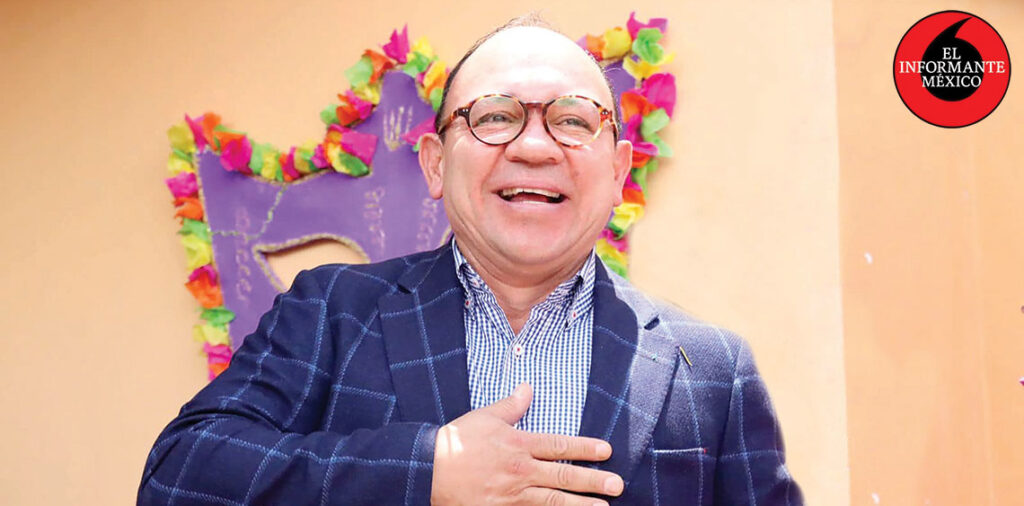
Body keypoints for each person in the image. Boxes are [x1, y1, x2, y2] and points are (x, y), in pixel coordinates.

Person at [139, 15, 802, 506]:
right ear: (435, 163)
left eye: (574, 120)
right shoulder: (331, 312)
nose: (536, 147)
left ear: (618, 171)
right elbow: (179, 477)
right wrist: (426, 470)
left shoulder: (713, 370)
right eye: (495, 116)